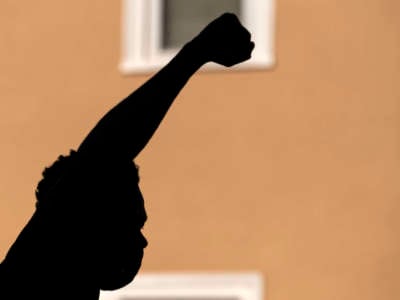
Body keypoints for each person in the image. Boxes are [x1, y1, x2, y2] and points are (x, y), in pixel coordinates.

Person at [0, 13, 255, 299]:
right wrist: (196, 53)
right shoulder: (29, 273)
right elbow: (105, 152)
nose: (143, 241)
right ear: (81, 216)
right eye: (132, 222)